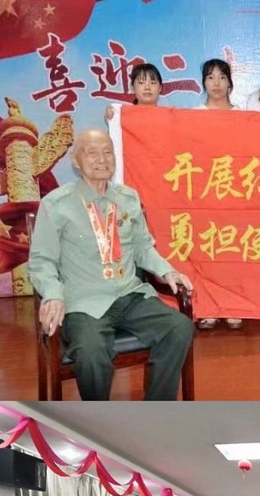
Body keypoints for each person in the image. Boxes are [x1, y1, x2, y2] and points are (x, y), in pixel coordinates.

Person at [28, 129, 194, 401]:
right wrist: (53, 294)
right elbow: (42, 261)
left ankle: (157, 408)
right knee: (90, 352)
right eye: (92, 153)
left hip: (130, 295)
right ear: (75, 160)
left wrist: (167, 270)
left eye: (107, 152)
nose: (102, 159)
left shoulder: (128, 197)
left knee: (179, 327)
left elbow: (143, 247)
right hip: (83, 302)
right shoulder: (56, 204)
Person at [195, 58, 243, 331]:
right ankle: (208, 306)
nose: (217, 83)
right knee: (208, 249)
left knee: (234, 250)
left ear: (230, 82)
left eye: (222, 77)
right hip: (205, 193)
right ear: (203, 82)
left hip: (236, 192)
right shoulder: (193, 115)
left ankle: (233, 304)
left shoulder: (244, 115)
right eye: (211, 77)